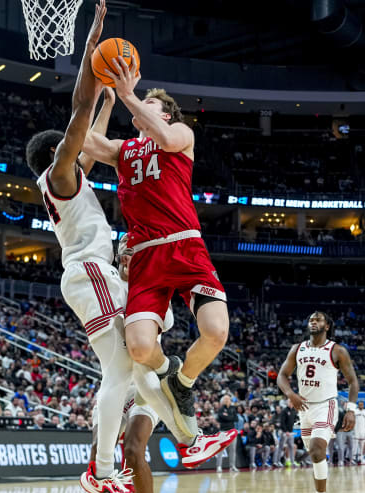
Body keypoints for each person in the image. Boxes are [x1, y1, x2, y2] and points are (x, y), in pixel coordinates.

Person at [25, 4, 234, 493]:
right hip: (109, 265)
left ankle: (186, 424)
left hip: (172, 247)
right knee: (122, 370)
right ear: (60, 156)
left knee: (147, 361)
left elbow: (88, 128)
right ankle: (103, 471)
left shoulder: (171, 138)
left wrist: (103, 78)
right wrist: (102, 81)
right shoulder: (67, 172)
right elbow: (79, 126)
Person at [82, 46, 229, 443]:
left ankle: (183, 382)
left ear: (164, 112)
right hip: (146, 255)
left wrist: (130, 94)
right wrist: (103, 96)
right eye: (140, 100)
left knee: (216, 332)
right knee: (141, 348)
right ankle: (167, 371)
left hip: (184, 246)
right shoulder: (123, 150)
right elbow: (85, 142)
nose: (141, 103)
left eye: (149, 102)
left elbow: (163, 136)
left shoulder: (180, 134)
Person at [277, 311, 357, 493]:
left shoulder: (337, 350)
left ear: (327, 326)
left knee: (316, 450)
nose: (313, 321)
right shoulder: (298, 349)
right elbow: (282, 376)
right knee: (314, 454)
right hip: (304, 407)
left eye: (318, 319)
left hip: (326, 405)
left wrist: (351, 409)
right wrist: (291, 394)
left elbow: (353, 381)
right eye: (311, 319)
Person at [216, 394, 239, 472]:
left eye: (228, 399)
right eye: (225, 399)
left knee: (233, 450)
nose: (227, 400)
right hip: (223, 432)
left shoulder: (233, 408)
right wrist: (229, 417)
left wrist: (228, 416)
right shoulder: (221, 409)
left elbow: (236, 419)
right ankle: (219, 466)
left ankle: (232, 466)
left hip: (232, 432)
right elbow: (221, 417)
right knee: (221, 449)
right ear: (222, 401)